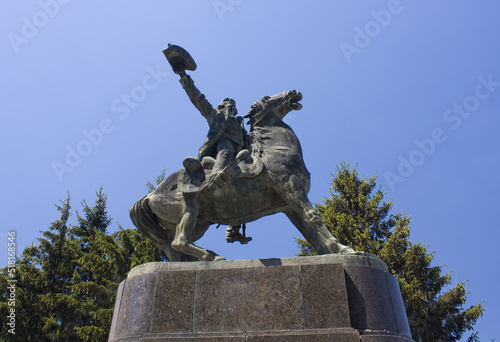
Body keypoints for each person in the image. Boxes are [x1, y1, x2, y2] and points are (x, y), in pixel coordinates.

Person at [179, 73, 249, 189]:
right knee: (226, 152)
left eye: (232, 102)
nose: (229, 102)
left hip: (241, 149)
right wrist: (186, 80)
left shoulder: (239, 122)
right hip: (226, 144)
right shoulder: (216, 115)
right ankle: (214, 179)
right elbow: (199, 100)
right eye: (226, 101)